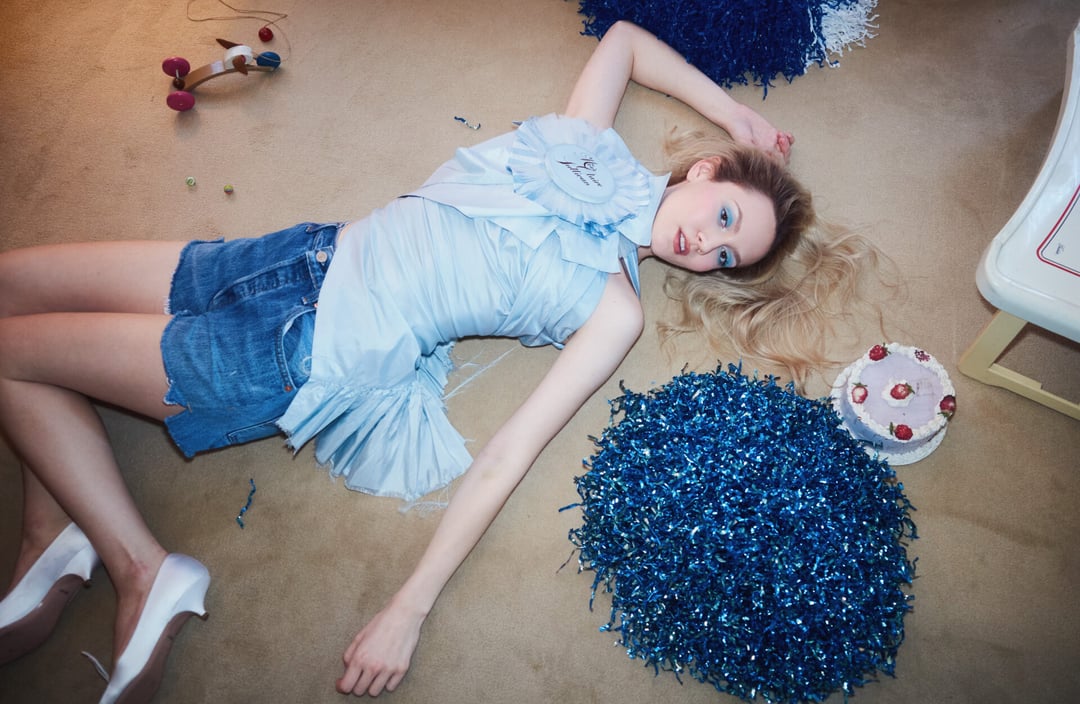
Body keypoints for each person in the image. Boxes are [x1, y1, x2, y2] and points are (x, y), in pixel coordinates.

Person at [0, 20, 875, 702]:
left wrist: (408, 608)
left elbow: (511, 452)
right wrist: (737, 114)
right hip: (294, 256)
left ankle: (141, 567)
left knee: (10, 356)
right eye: (724, 218)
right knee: (10, 286)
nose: (704, 247)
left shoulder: (615, 310)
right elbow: (625, 43)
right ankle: (57, 531)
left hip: (299, 351)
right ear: (706, 173)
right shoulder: (587, 143)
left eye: (725, 258)